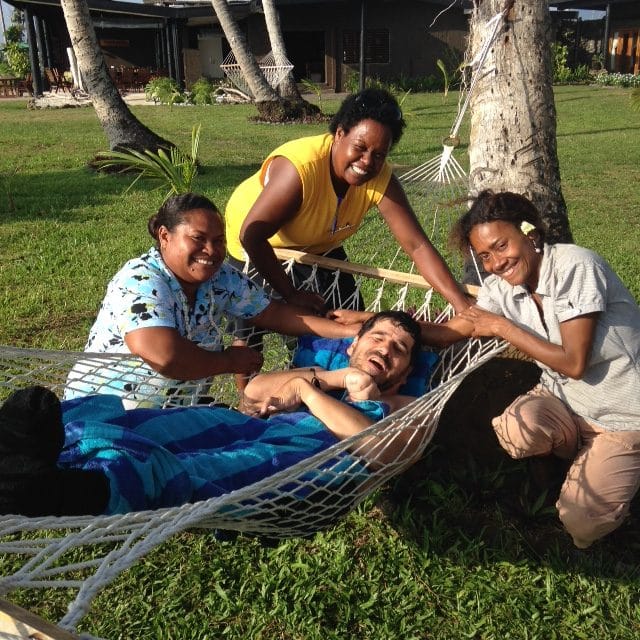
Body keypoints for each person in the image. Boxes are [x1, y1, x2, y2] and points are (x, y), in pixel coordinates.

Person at [0, 312, 422, 517]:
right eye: (378, 337)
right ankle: (41, 445)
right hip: (243, 424)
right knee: (155, 422)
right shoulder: (325, 372)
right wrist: (330, 379)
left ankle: (57, 489)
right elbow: (255, 389)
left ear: (404, 375)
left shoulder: (402, 406)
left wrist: (312, 396)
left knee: (198, 471)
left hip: (299, 454)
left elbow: (379, 450)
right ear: (353, 346)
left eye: (399, 350)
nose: (384, 348)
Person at [409, 189, 639, 549]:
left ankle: (614, 469)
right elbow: (458, 329)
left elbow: (574, 363)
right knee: (517, 428)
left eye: (501, 246)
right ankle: (574, 457)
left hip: (626, 416)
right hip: (566, 401)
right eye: (484, 256)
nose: (495, 263)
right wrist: (376, 323)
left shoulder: (575, 267)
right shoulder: (502, 288)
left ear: (530, 235)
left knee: (582, 523)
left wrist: (502, 327)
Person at [65, 193, 359, 409]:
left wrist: (354, 332)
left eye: (218, 241)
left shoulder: (219, 278)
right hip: (107, 411)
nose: (210, 250)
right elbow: (164, 356)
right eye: (198, 238)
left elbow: (276, 314)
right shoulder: (140, 281)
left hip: (174, 411)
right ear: (164, 236)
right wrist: (229, 361)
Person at [224, 88, 469, 320]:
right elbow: (252, 235)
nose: (367, 161)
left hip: (318, 243)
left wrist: (462, 305)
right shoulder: (299, 170)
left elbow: (417, 246)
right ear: (339, 134)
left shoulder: (379, 176)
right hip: (258, 246)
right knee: (273, 324)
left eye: (379, 154)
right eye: (360, 148)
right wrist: (291, 294)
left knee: (349, 318)